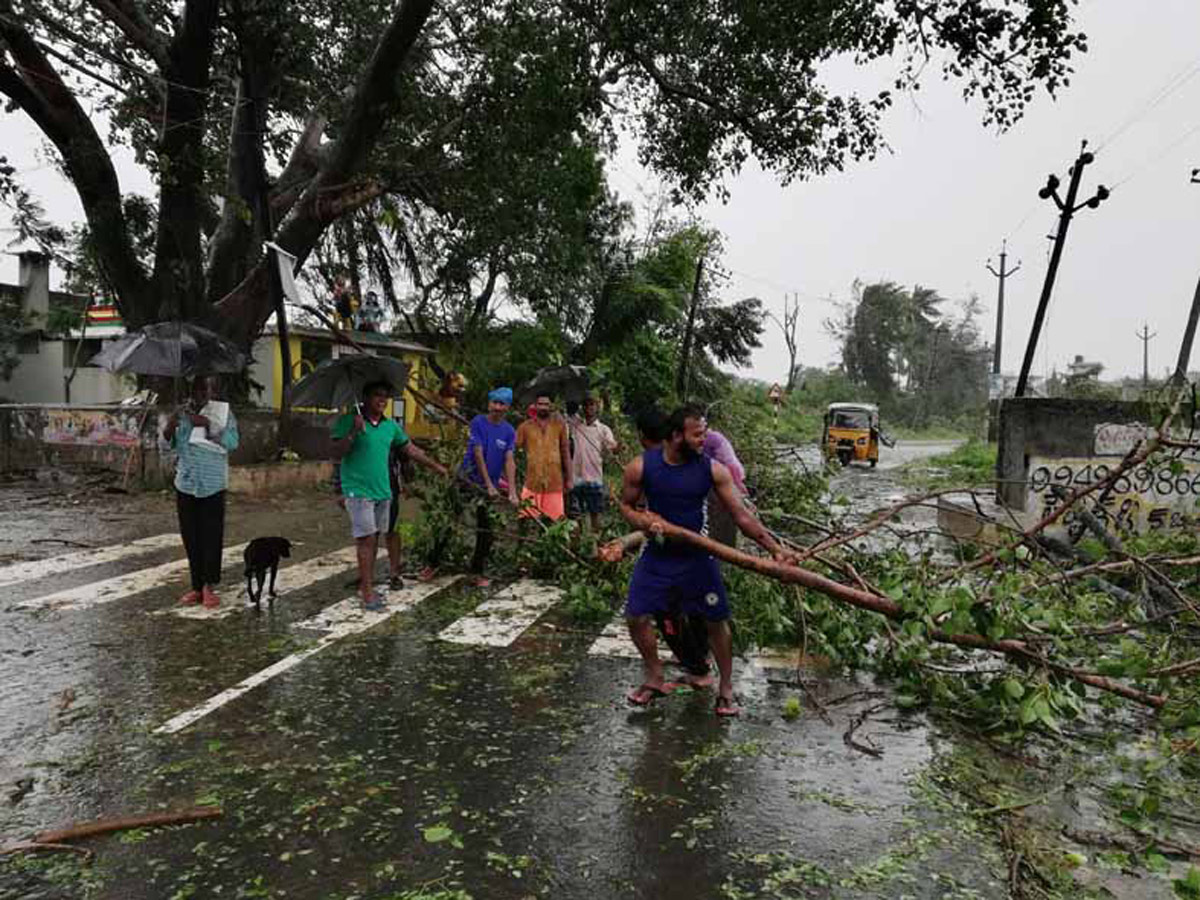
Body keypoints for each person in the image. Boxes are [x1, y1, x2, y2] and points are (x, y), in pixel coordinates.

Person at [619, 405, 793, 717]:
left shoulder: (712, 470)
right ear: (675, 436)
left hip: (698, 557)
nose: (705, 438)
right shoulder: (641, 467)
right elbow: (627, 506)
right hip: (657, 555)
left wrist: (775, 549)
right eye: (698, 434)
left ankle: (725, 688)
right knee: (636, 616)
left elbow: (742, 515)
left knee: (716, 621)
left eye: (705, 431)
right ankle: (655, 677)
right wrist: (643, 521)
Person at [332, 380, 448, 610]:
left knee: (374, 538)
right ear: (365, 398)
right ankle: (366, 591)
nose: (382, 400)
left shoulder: (390, 426)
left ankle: (368, 583)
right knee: (365, 540)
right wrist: (354, 432)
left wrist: (435, 466)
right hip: (358, 490)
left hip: (383, 490)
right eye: (377, 395)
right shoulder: (349, 420)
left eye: (385, 396)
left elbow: (410, 449)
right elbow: (336, 452)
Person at [421, 387, 518, 588]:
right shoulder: (479, 423)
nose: (497, 407)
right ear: (489, 404)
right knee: (450, 523)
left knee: (486, 531)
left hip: (486, 489)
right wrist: (489, 485)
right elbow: (478, 453)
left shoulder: (509, 431)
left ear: (508, 407)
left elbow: (509, 460)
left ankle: (476, 572)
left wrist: (512, 491)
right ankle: (432, 563)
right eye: (494, 403)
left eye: (502, 404)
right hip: (467, 481)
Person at [164, 376, 239, 609]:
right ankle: (196, 586)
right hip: (186, 483)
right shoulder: (183, 413)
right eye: (198, 390)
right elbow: (172, 444)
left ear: (212, 392)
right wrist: (170, 425)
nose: (202, 394)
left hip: (212, 484)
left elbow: (233, 442)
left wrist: (208, 426)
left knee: (211, 536)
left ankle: (209, 586)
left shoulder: (223, 413)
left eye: (206, 390)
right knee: (191, 537)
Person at [515, 394, 571, 520]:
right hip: (532, 481)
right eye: (540, 404)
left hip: (554, 481)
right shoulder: (525, 426)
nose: (543, 407)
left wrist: (569, 478)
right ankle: (523, 540)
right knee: (526, 518)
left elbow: (565, 451)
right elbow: (513, 448)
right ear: (535, 406)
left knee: (554, 520)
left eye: (546, 404)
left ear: (551, 406)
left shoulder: (559, 425)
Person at [569, 395, 619, 533]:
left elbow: (612, 447)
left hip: (595, 478)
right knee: (575, 516)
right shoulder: (575, 425)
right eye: (586, 405)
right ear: (582, 408)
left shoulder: (603, 429)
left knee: (595, 514)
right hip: (576, 477)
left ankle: (595, 546)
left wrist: (617, 447)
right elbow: (566, 416)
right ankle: (576, 548)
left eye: (592, 404)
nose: (589, 408)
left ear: (597, 407)